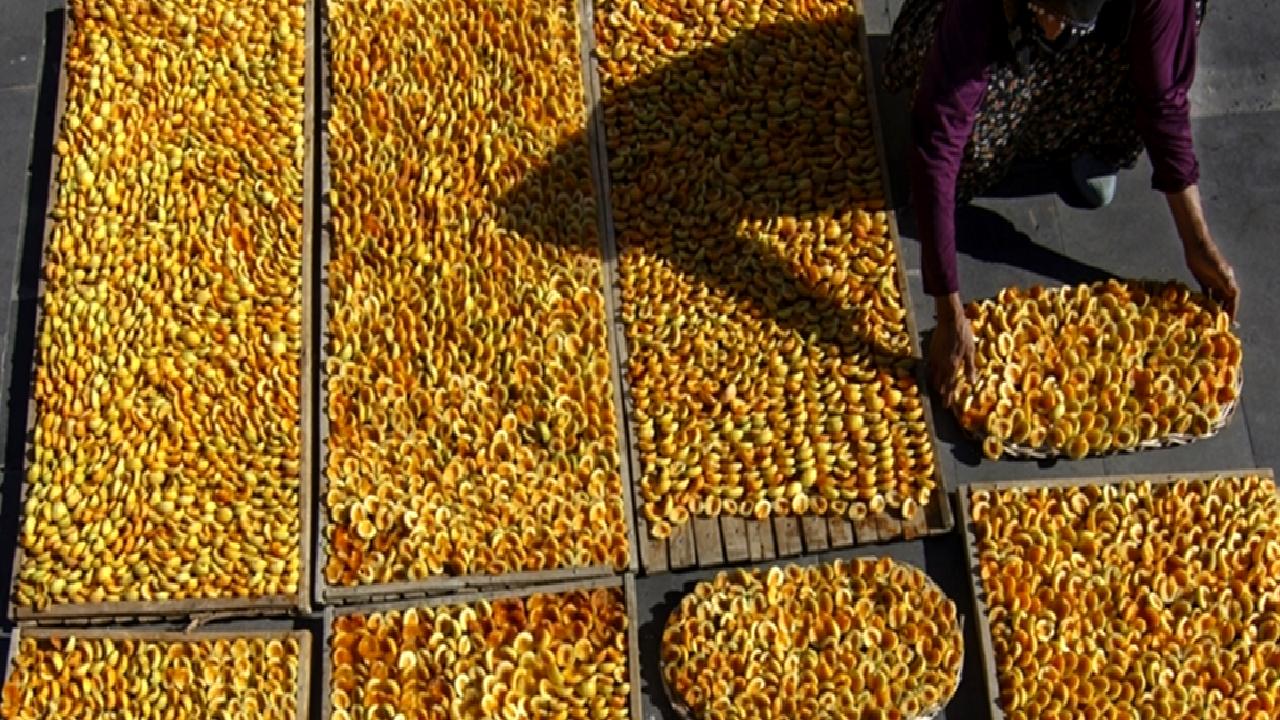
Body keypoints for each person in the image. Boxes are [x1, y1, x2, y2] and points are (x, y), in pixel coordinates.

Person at [882, 0, 1240, 401]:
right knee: (960, 154)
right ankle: (1028, 116)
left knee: (1165, 48)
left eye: (1063, 20)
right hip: (985, 22)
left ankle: (1094, 137)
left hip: (1095, 44)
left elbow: (1164, 104)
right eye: (1045, 11)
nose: (1052, 29)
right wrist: (948, 309)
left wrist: (1198, 243)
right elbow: (939, 136)